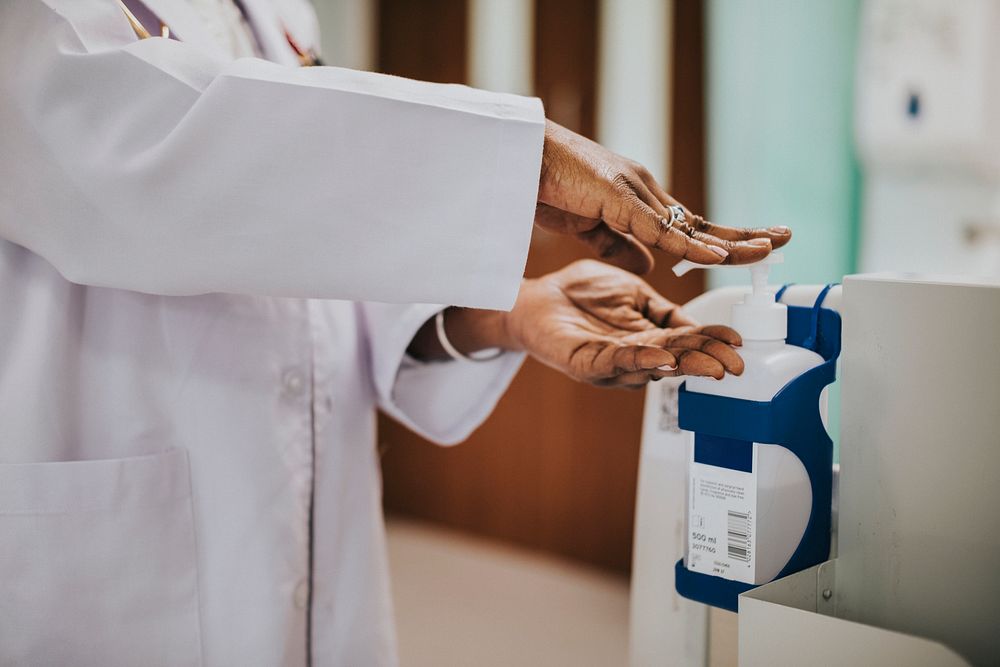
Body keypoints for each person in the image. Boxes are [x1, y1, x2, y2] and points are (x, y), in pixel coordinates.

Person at [0, 1, 790, 665]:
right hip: (110, 558)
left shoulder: (276, 10)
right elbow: (151, 161)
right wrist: (528, 157)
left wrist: (502, 309)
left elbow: (300, 239)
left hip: (313, 539)